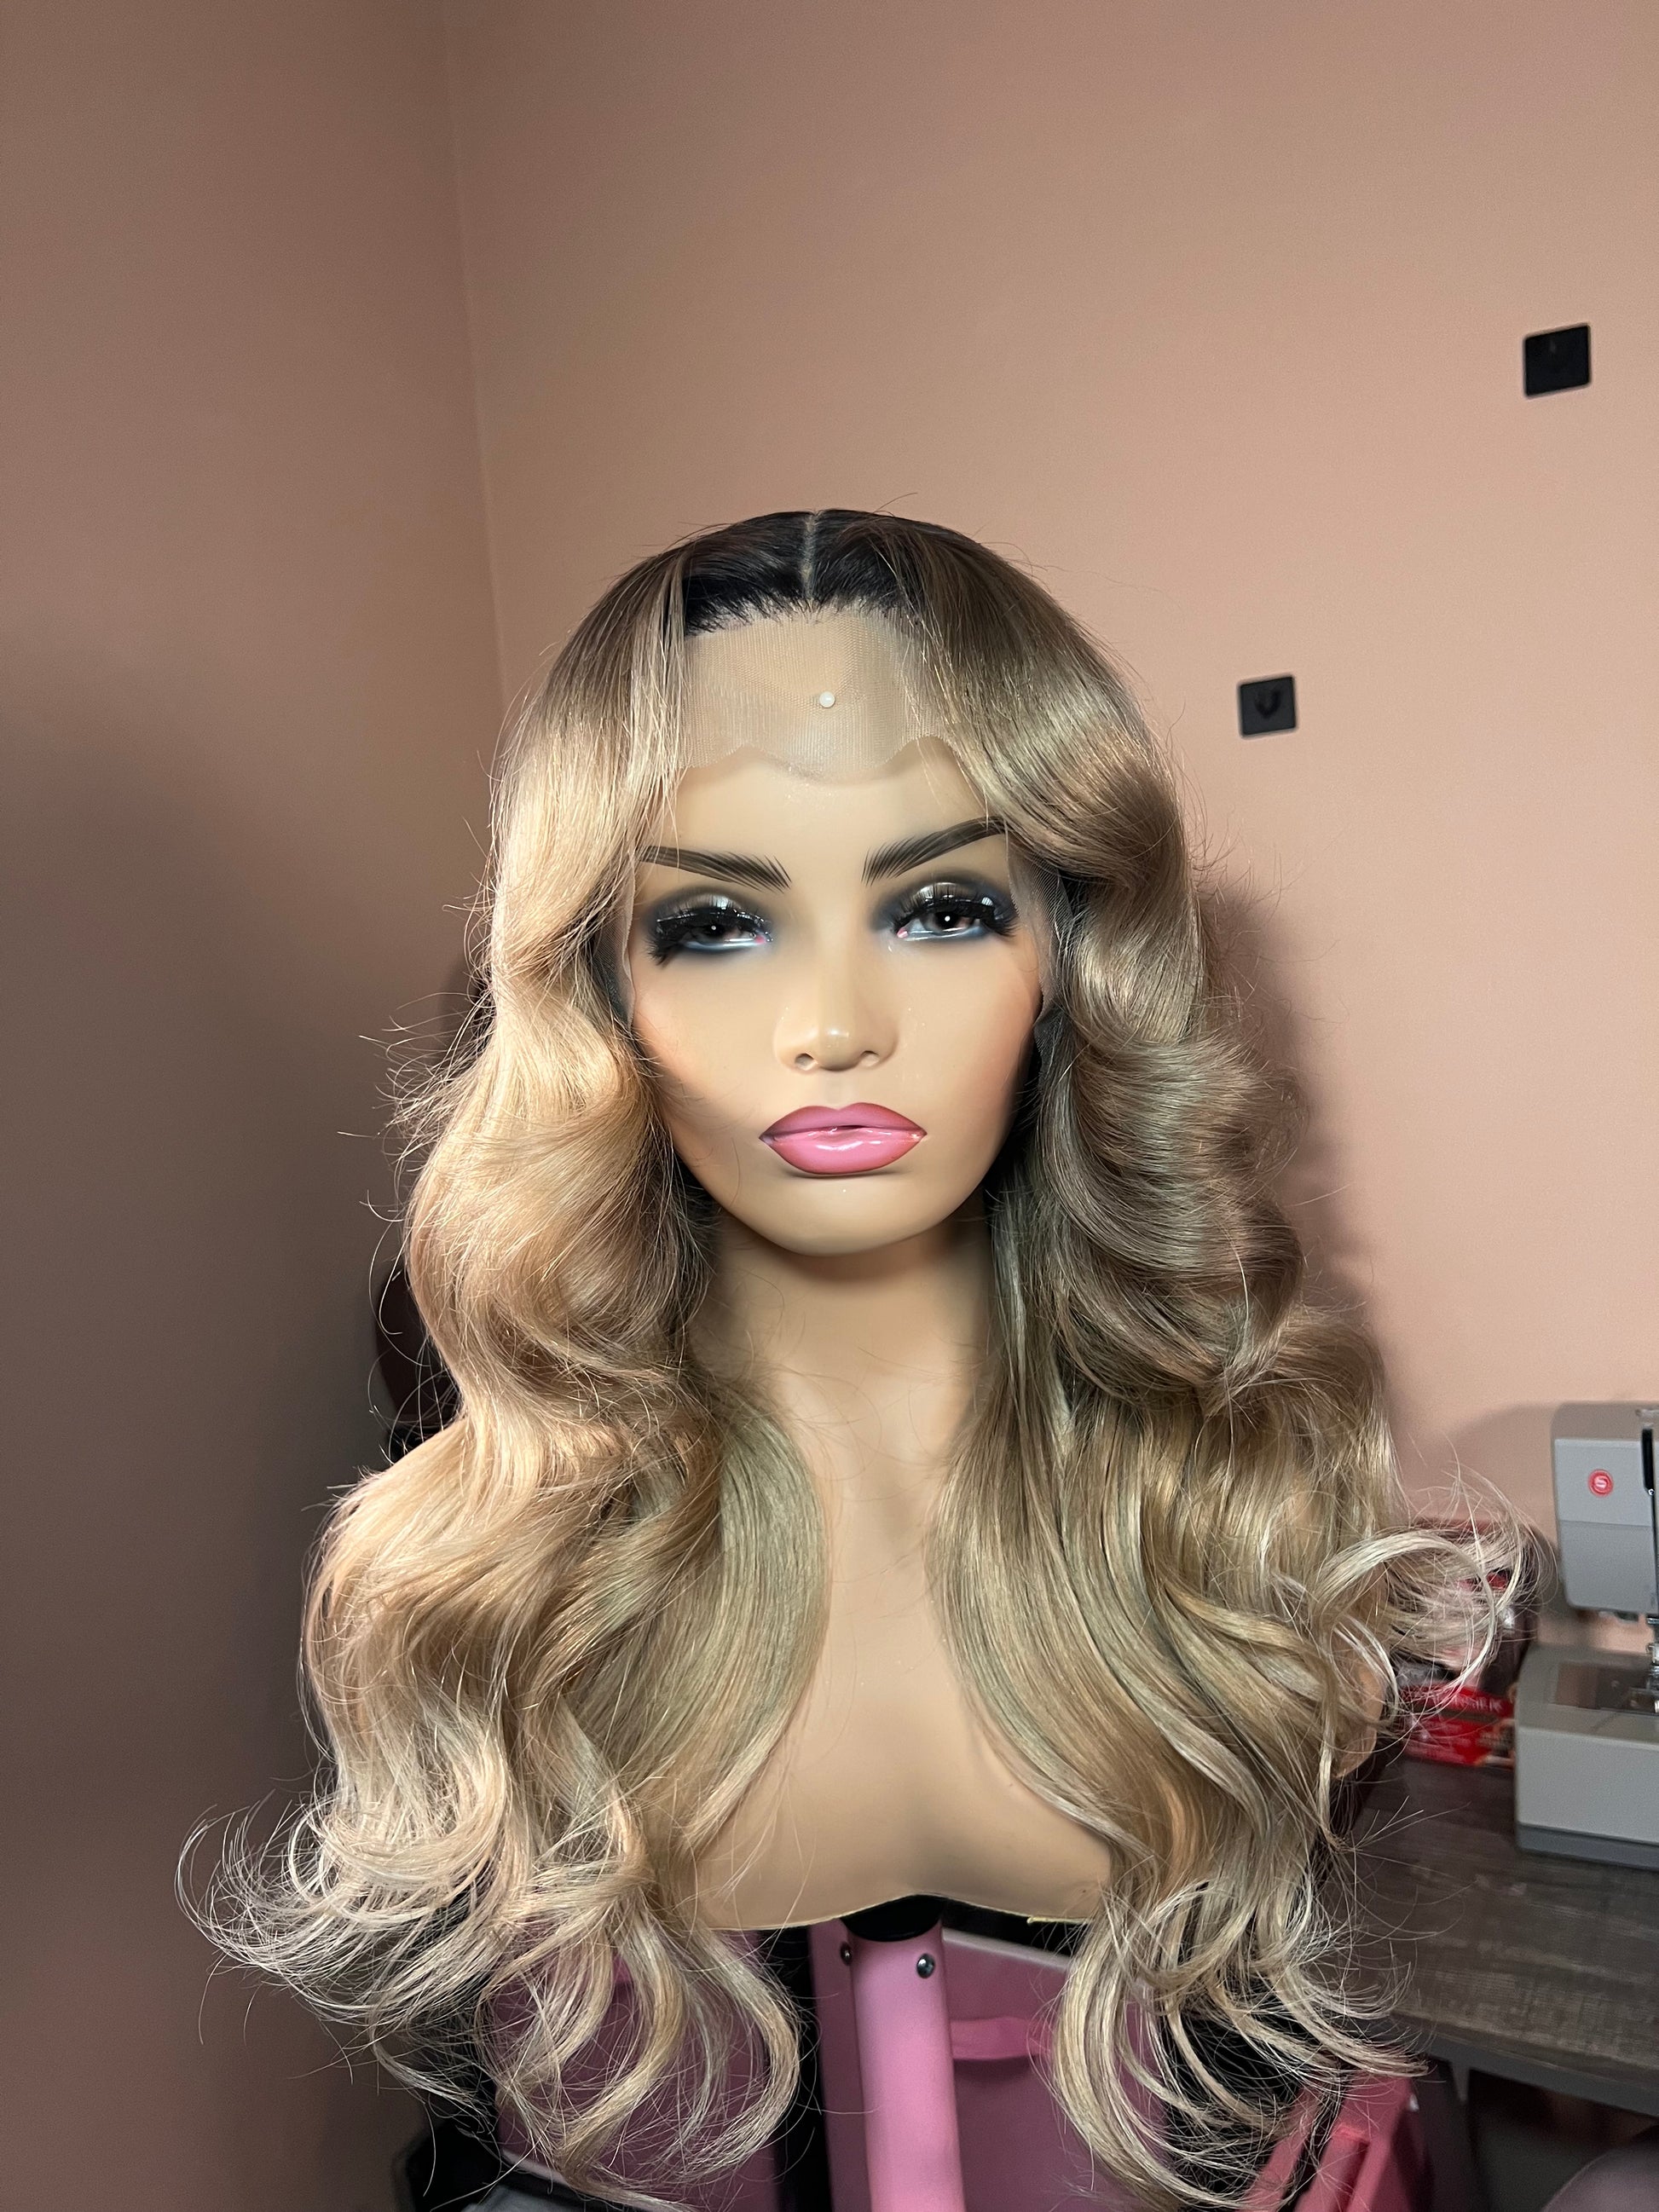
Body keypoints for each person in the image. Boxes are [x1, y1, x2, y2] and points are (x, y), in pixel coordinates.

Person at [205, 511, 1501, 2207]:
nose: (833, 1024)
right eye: (714, 922)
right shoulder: (490, 1588)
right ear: (601, 984)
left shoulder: (1223, 1522)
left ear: (1068, 957)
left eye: (940, 906)